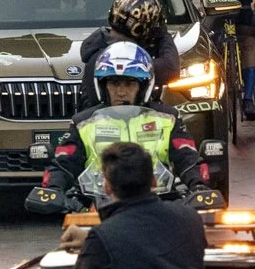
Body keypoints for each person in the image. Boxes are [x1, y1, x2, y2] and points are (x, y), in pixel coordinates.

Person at [35, 42, 211, 211]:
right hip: (97, 207)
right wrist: (53, 187)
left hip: (156, 203)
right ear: (103, 86)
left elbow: (187, 157)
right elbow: (64, 162)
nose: (120, 91)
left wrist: (198, 186)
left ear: (143, 87)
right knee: (71, 239)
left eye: (129, 84)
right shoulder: (83, 123)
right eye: (114, 83)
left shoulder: (168, 119)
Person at [70, 141, 206, 269]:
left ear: (107, 187)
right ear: (154, 181)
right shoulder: (191, 220)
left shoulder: (102, 238)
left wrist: (90, 243)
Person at [72, 0, 183, 107]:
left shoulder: (99, 48)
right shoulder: (122, 58)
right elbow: (170, 68)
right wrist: (161, 31)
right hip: (108, 121)